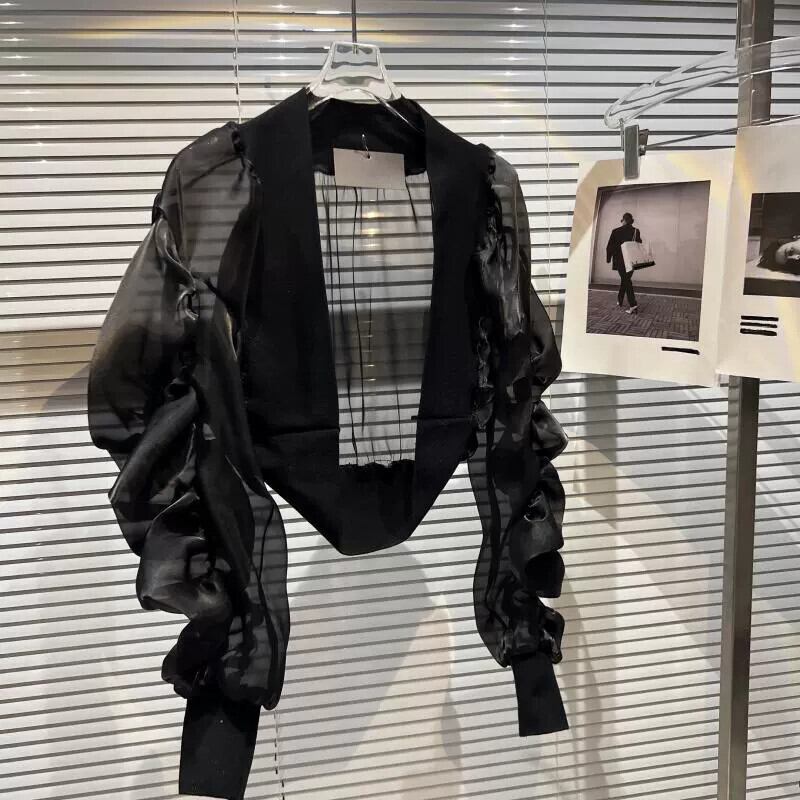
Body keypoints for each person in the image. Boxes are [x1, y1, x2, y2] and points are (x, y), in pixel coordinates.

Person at [606, 211, 642, 314]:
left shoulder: (616, 231)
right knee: (625, 279)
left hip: (619, 261)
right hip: (631, 260)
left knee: (626, 281)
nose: (621, 222)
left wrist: (608, 258)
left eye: (622, 220)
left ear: (624, 221)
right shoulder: (636, 231)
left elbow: (610, 246)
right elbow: (639, 243)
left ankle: (633, 305)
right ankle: (620, 299)